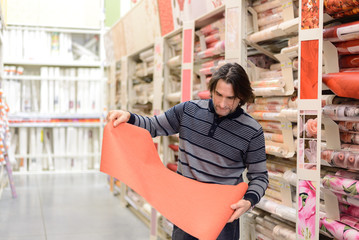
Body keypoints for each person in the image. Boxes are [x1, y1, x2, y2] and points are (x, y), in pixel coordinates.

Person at [107, 62, 268, 240]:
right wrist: (129, 117)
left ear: (241, 97)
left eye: (230, 98)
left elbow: (259, 176)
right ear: (211, 90)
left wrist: (248, 201)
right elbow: (153, 126)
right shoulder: (189, 111)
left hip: (222, 215)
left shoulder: (252, 131)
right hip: (186, 210)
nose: (222, 104)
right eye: (218, 95)